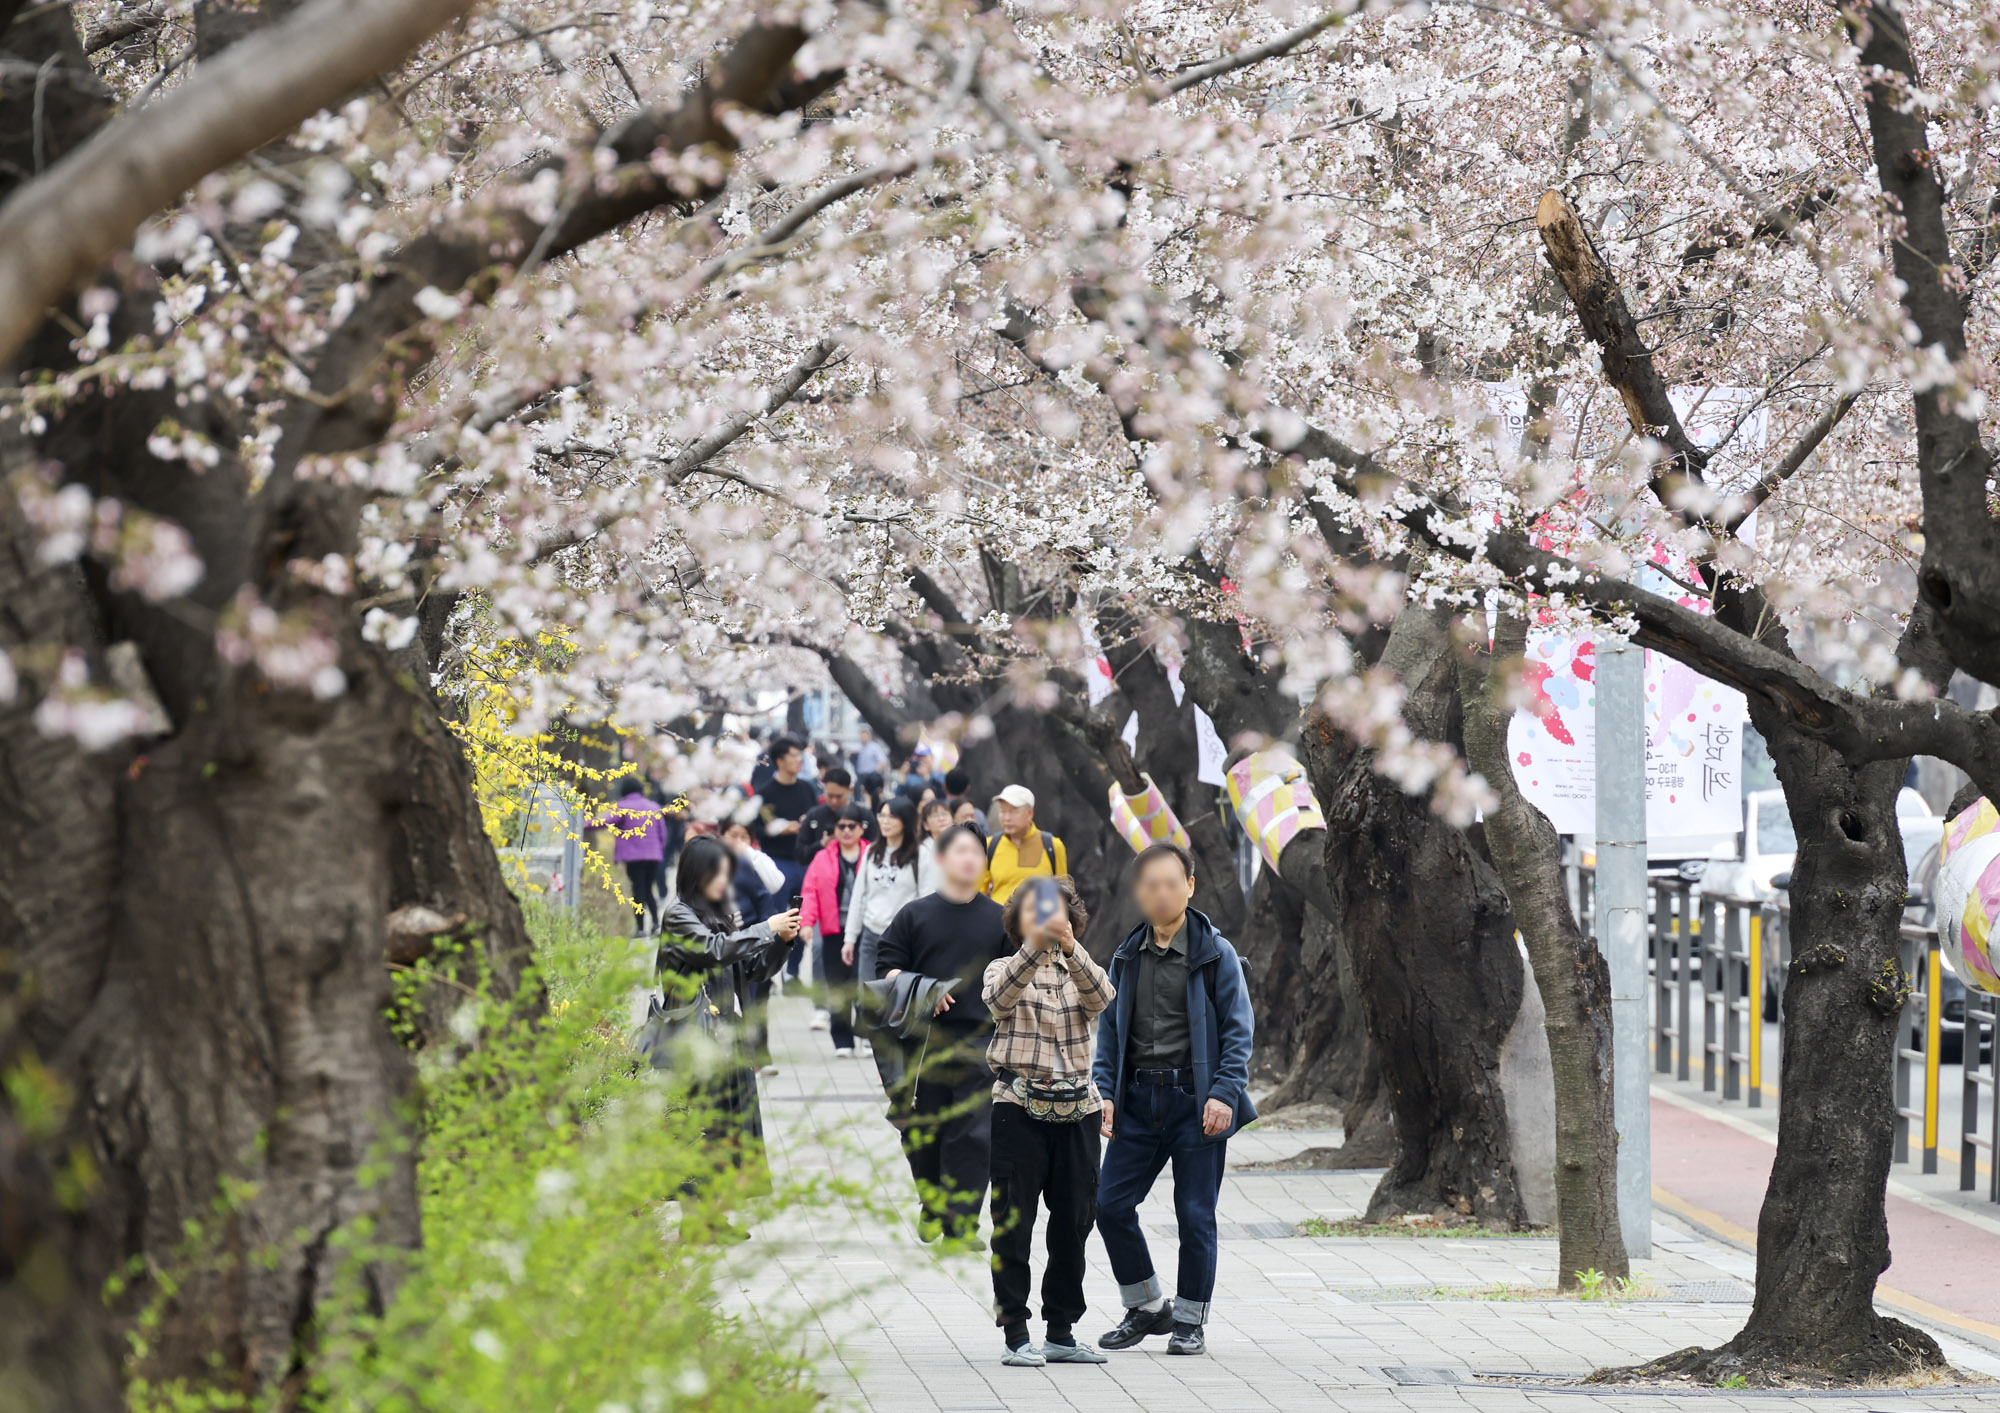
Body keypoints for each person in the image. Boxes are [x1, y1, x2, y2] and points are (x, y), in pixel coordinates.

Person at [1092, 842, 1256, 1357]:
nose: (1161, 893)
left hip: (1196, 1102)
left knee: (1194, 1214)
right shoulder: (1126, 956)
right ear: (1139, 892)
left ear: (1190, 886)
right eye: (1150, 885)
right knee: (1109, 1205)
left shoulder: (1216, 954)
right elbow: (1109, 1032)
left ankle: (1189, 1321)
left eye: (1171, 883)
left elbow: (1239, 1031)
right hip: (1138, 1100)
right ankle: (1147, 1307)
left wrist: (1224, 1093)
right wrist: (1104, 1091)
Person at [983, 875, 1114, 1367]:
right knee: (1013, 1224)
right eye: (1034, 910)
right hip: (1017, 1109)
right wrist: (1034, 949)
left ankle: (1061, 1331)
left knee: (1074, 1223)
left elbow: (1103, 998)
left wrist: (1071, 948)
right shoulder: (1003, 966)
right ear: (1018, 920)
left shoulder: (1079, 967)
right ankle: (1016, 1333)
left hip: (1078, 1110)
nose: (1045, 917)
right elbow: (997, 1001)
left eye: (1054, 909)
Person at [655, 836, 801, 1232]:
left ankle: (711, 1217)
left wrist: (781, 943)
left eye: (726, 873)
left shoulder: (720, 916)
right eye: (716, 873)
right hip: (694, 1037)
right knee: (700, 1127)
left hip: (726, 1035)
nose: (724, 881)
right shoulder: (679, 915)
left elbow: (753, 970)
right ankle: (695, 1221)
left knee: (725, 1130)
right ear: (696, 873)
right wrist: (766, 927)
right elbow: (714, 950)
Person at [876, 823, 1011, 1241]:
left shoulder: (1000, 919)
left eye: (976, 852)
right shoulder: (914, 915)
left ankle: (961, 1222)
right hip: (922, 1043)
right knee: (924, 1130)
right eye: (960, 851)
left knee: (974, 1134)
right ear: (941, 859)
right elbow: (886, 970)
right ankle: (932, 1202)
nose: (969, 859)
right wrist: (924, 989)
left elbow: (1014, 978)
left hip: (980, 1042)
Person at [843, 795, 937, 1090]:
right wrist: (850, 938)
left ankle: (899, 1066)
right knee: (870, 1002)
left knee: (899, 1004)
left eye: (890, 816)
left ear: (905, 821)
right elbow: (859, 896)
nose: (884, 821)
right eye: (881, 816)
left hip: (903, 940)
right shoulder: (871, 852)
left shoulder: (921, 855)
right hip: (871, 936)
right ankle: (885, 1064)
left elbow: (927, 898)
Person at [798, 803, 872, 1050]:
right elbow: (810, 891)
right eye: (841, 826)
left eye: (852, 826)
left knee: (864, 983)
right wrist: (807, 923)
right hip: (834, 929)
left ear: (861, 829)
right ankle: (842, 1040)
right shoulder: (822, 857)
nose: (847, 831)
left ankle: (866, 1033)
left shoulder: (873, 854)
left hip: (865, 929)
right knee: (837, 985)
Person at [756, 735, 821, 978]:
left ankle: (792, 971)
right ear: (780, 761)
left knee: (802, 918)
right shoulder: (765, 793)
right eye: (794, 756)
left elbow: (816, 819)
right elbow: (758, 829)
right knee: (776, 918)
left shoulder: (807, 789)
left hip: (805, 863)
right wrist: (782, 828)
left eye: (800, 756)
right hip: (777, 862)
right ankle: (771, 969)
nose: (799, 760)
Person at [595, 776, 667, 934]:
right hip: (653, 856)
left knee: (638, 890)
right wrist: (659, 851)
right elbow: (663, 834)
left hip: (633, 858)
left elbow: (603, 822)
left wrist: (580, 823)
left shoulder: (623, 807)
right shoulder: (654, 807)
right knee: (648, 889)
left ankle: (640, 929)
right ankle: (656, 924)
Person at [982, 784, 1067, 905]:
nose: (1007, 818)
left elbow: (1063, 892)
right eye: (1003, 811)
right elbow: (978, 891)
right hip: (999, 916)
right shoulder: (989, 845)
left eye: (1013, 812)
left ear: (1030, 813)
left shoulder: (1052, 846)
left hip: (1039, 916)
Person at [723, 820, 786, 922]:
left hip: (757, 922)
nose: (739, 841)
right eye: (733, 836)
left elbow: (775, 885)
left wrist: (747, 852)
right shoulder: (715, 860)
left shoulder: (757, 856)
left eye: (744, 837)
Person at [797, 766, 861, 859]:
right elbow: (800, 854)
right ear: (824, 789)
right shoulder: (814, 815)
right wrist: (821, 844)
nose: (834, 801)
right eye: (830, 796)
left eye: (839, 796)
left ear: (850, 790)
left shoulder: (862, 815)